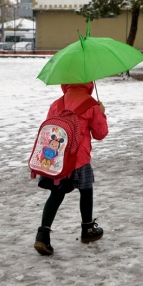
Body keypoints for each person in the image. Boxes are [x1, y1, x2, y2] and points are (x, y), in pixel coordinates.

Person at [34, 82, 108, 256]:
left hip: (59, 158)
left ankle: (42, 235)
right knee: (86, 189)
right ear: (88, 83)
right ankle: (87, 229)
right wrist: (102, 113)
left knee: (56, 193)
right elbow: (100, 134)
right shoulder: (91, 104)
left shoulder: (57, 104)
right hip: (80, 157)